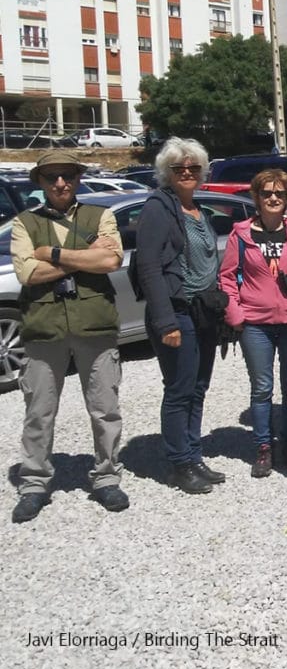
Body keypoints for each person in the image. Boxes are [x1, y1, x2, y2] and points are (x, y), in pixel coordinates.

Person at [10, 152, 128, 523]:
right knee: (39, 412)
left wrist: (54, 254)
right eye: (51, 177)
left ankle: (106, 477)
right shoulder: (24, 223)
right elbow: (26, 272)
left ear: (77, 178)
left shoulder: (101, 216)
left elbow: (111, 261)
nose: (60, 183)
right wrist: (85, 255)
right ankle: (34, 484)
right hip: (44, 328)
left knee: (105, 409)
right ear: (40, 183)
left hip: (94, 324)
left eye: (66, 176)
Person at [136, 137, 227, 494]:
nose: (187, 173)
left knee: (198, 388)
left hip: (202, 312)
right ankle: (179, 464)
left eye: (193, 167)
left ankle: (193, 455)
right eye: (179, 168)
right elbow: (148, 267)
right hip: (177, 312)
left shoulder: (198, 211)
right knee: (179, 389)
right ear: (167, 173)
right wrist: (165, 322)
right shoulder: (158, 207)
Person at [219, 169, 287, 477]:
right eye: (267, 193)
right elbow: (227, 276)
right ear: (256, 198)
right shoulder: (241, 234)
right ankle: (263, 446)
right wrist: (235, 313)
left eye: (280, 194)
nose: (274, 198)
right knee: (261, 388)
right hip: (256, 323)